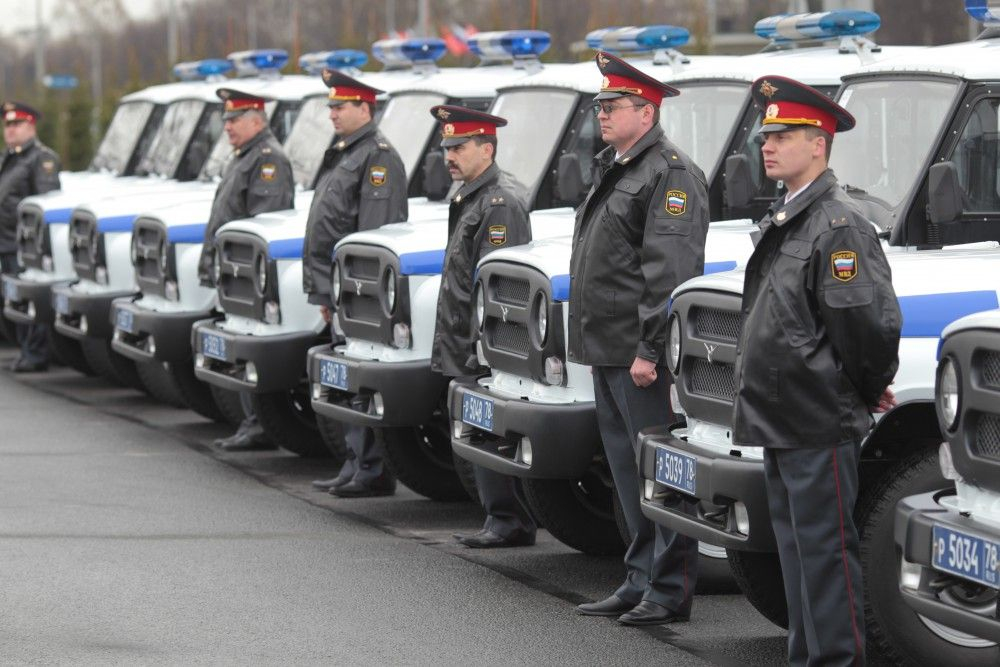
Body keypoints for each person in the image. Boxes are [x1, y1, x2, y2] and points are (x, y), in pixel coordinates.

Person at [733, 75, 901, 666]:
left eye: (784, 135)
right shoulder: (792, 215)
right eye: (767, 136)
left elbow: (867, 327)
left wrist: (867, 387)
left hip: (816, 414)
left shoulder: (837, 224)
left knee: (825, 554)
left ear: (819, 143)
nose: (768, 145)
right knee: (797, 554)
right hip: (783, 414)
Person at [569, 52, 707, 626]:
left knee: (659, 471)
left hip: (638, 354)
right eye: (600, 105)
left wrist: (650, 349)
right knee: (628, 471)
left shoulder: (668, 173)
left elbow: (668, 273)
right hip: (609, 349)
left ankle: (669, 588)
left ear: (646, 112)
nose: (602, 113)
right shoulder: (621, 166)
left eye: (614, 105)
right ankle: (639, 577)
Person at [425, 105, 537, 549]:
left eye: (459, 147)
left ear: (487, 148)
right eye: (447, 148)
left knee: (490, 429)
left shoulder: (498, 203)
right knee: (477, 427)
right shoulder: (471, 196)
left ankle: (509, 519)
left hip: (484, 344)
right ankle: (500, 516)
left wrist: (486, 347)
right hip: (466, 339)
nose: (449, 156)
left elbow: (498, 286)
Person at [304, 69, 408, 498]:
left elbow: (373, 236)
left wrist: (353, 293)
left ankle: (373, 469)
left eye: (340, 106)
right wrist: (323, 290)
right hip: (337, 286)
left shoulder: (377, 157)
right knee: (344, 379)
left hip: (357, 291)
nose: (332, 113)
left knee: (360, 379)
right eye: (330, 106)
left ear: (364, 108)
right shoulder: (347, 152)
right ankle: (356, 461)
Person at [200, 88, 294, 452]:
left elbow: (262, 225)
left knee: (252, 348)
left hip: (249, 276)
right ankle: (252, 422)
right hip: (234, 273)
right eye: (226, 120)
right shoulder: (244, 156)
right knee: (240, 346)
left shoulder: (268, 160)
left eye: (235, 120)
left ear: (256, 121)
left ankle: (261, 425)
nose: (227, 127)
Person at [0, 102, 60, 372]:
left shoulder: (41, 159)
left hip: (24, 245)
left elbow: (44, 204)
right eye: (7, 125)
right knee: (15, 301)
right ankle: (26, 350)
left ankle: (35, 354)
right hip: (6, 242)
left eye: (17, 124)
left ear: (31, 126)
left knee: (28, 300)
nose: (10, 130)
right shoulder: (10, 158)